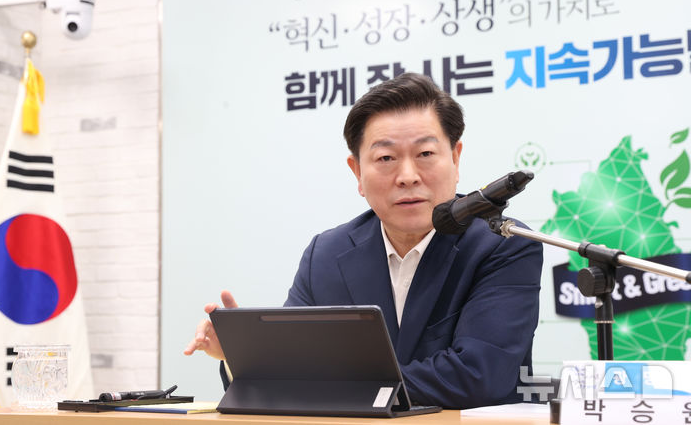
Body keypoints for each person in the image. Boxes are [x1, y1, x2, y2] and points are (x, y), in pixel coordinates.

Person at [184, 73, 543, 409]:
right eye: (385, 158)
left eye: (425, 154)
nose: (407, 176)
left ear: (455, 158)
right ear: (357, 172)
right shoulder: (326, 255)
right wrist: (240, 357)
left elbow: (478, 376)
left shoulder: (502, 245)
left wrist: (322, 383)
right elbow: (289, 368)